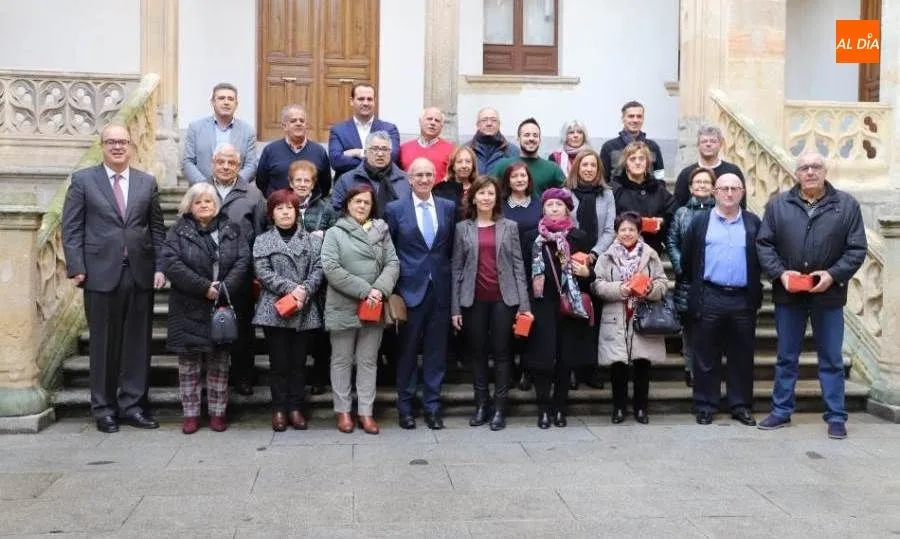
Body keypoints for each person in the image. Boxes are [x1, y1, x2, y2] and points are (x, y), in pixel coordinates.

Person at [61, 123, 166, 433]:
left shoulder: (147, 183)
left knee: (137, 344)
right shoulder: (83, 180)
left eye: (123, 142)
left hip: (139, 273)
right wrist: (76, 265)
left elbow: (157, 229)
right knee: (104, 345)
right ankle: (104, 408)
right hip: (98, 273)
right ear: (102, 146)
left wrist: (160, 267)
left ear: (131, 146)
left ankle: (133, 405)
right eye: (111, 142)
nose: (118, 147)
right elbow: (72, 228)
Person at [756, 152, 867, 439]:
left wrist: (832, 275)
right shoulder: (779, 205)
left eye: (816, 166)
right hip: (789, 295)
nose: (810, 172)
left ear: (825, 170)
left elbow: (856, 249)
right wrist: (781, 274)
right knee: (786, 357)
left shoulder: (846, 205)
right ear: (796, 173)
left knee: (831, 358)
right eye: (804, 167)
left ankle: (836, 416)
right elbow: (764, 244)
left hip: (828, 295)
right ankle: (781, 411)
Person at [161, 183, 250, 434]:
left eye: (208, 202)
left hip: (220, 305)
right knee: (188, 364)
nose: (203, 206)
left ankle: (218, 412)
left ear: (216, 205)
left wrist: (222, 289)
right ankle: (190, 414)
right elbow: (171, 263)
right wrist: (203, 287)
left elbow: (243, 260)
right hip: (188, 305)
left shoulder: (231, 229)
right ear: (190, 206)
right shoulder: (178, 231)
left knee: (219, 363)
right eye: (198, 202)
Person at [451, 176, 532, 431]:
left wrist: (524, 305)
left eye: (490, 193)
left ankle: (500, 408)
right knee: (477, 353)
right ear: (473, 197)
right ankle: (481, 405)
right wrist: (455, 307)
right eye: (481, 193)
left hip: (504, 299)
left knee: (502, 353)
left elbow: (519, 266)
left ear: (497, 198)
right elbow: (457, 268)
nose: (486, 197)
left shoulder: (509, 226)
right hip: (472, 299)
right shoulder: (462, 228)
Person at [682, 173, 762, 426]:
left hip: (742, 299)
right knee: (705, 355)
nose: (729, 193)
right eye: (724, 188)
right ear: (715, 192)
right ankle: (706, 405)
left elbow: (761, 260)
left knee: (742, 356)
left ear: (742, 192)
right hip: (709, 295)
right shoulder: (700, 222)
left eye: (734, 188)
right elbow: (687, 260)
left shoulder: (753, 223)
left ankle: (740, 405)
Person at [321, 184, 399, 435]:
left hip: (373, 306)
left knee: (367, 361)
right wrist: (366, 290)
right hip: (344, 304)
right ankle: (343, 411)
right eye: (357, 201)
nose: (362, 206)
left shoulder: (381, 230)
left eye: (366, 202)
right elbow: (331, 268)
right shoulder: (335, 232)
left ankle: (366, 412)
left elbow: (393, 263)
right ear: (347, 204)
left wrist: (379, 290)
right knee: (342, 360)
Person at [385, 158, 456, 430]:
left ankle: (432, 407)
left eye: (429, 174)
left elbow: (450, 248)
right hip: (408, 291)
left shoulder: (448, 208)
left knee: (436, 353)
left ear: (434, 177)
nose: (424, 179)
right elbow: (388, 250)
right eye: (419, 175)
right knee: (407, 352)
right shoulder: (395, 209)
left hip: (440, 289)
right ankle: (405, 408)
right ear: (410, 179)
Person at [252, 189, 324, 432]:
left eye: (289, 208)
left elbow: (320, 269)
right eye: (279, 208)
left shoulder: (313, 240)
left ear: (297, 212)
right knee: (279, 363)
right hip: (274, 309)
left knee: (298, 362)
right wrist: (293, 289)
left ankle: (296, 407)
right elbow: (263, 272)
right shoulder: (263, 240)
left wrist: (305, 290)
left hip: (304, 308)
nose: (285, 212)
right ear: (272, 213)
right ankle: (279, 409)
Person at [523, 188, 594, 428]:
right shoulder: (532, 237)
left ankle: (560, 408)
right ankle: (543, 409)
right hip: (541, 303)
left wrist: (587, 273)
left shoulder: (578, 237)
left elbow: (587, 274)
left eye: (559, 205)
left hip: (569, 305)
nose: (554, 209)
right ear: (542, 209)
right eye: (550, 205)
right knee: (542, 360)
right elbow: (523, 272)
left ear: (567, 209)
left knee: (565, 360)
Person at [592, 211, 668, 425]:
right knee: (618, 366)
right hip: (616, 315)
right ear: (616, 232)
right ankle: (618, 408)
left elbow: (662, 283)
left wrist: (649, 288)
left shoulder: (650, 254)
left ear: (639, 231)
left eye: (631, 229)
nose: (627, 233)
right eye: (623, 229)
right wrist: (621, 289)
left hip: (641, 315)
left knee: (642, 365)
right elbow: (597, 284)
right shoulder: (607, 256)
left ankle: (641, 408)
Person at [209, 143, 267, 396]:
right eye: (221, 161)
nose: (225, 166)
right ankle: (214, 381)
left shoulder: (253, 195)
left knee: (243, 329)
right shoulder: (201, 190)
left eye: (231, 163)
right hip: (207, 274)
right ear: (213, 163)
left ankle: (243, 376)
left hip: (241, 274)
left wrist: (256, 272)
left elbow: (261, 233)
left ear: (239, 166)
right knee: (209, 329)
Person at [564, 148, 615, 390]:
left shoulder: (607, 195)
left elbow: (610, 230)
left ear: (598, 169)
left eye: (593, 165)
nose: (588, 169)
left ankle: (591, 369)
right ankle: (572, 369)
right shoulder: (566, 193)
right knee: (574, 317)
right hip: (570, 261)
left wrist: (594, 254)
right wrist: (575, 255)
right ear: (577, 168)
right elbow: (563, 225)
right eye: (584, 165)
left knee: (595, 317)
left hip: (598, 263)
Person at [289, 159, 337, 397]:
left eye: (307, 180)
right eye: (298, 180)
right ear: (291, 182)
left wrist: (325, 234)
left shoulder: (326, 208)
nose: (302, 184)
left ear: (314, 183)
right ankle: (296, 376)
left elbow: (338, 234)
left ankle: (319, 376)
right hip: (289, 277)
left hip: (318, 278)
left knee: (319, 332)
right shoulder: (282, 203)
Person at [664, 167, 715, 388]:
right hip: (688, 281)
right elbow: (672, 241)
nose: (702, 185)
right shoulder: (682, 213)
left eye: (706, 182)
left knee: (711, 329)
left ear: (713, 187)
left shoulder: (721, 212)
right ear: (691, 186)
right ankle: (690, 369)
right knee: (690, 329)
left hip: (714, 281)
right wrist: (680, 266)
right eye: (698, 182)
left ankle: (708, 371)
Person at [499, 162, 542, 391]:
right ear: (508, 180)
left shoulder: (539, 204)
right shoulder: (500, 206)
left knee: (529, 319)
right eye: (514, 176)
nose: (519, 180)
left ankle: (527, 367)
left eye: (523, 175)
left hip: (533, 269)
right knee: (507, 321)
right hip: (505, 270)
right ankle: (510, 368)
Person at [182, 82, 258, 186]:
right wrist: (204, 185)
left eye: (230, 99)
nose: (226, 102)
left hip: (236, 194)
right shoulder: (195, 128)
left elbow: (251, 165)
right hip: (203, 193)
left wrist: (234, 185)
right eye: (221, 98)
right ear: (213, 102)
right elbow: (187, 162)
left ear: (236, 104)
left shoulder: (248, 131)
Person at [609, 141, 675, 255]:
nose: (638, 162)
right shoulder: (615, 189)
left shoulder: (658, 188)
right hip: (621, 252)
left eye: (641, 158)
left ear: (647, 163)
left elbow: (672, 210)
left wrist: (661, 221)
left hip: (651, 251)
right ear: (626, 163)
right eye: (632, 159)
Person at [328, 82, 401, 183]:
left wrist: (357, 152)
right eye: (361, 99)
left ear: (374, 101)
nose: (366, 103)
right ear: (351, 101)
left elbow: (392, 157)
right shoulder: (338, 130)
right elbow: (336, 161)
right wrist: (377, 159)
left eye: (369, 99)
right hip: (349, 189)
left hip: (381, 188)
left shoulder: (389, 129)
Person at [255, 104, 331, 196]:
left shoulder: (319, 151)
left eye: (302, 121)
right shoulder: (270, 150)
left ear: (306, 125)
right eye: (293, 121)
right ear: (284, 126)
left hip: (310, 208)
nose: (298, 123)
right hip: (280, 208)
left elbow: (325, 185)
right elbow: (261, 183)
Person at [330, 131, 411, 215]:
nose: (380, 154)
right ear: (365, 152)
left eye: (385, 149)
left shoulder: (404, 180)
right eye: (375, 149)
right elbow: (334, 212)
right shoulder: (347, 180)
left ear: (390, 152)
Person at [673, 125, 745, 208]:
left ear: (721, 144)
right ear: (698, 145)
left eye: (713, 141)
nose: (708, 144)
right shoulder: (686, 173)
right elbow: (678, 206)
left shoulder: (733, 171)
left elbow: (741, 205)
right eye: (704, 141)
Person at [490, 117, 565, 194]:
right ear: (518, 139)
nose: (531, 138)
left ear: (540, 139)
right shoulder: (503, 165)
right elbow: (490, 191)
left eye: (535, 135)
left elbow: (567, 196)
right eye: (527, 135)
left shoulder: (553, 169)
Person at [599, 100, 666, 181]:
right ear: (623, 118)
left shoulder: (653, 146)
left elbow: (660, 176)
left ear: (643, 119)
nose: (635, 120)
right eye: (631, 116)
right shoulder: (609, 147)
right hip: (617, 192)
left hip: (647, 192)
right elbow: (603, 178)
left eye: (639, 116)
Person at [398, 107, 454, 181]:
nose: (433, 123)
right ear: (420, 121)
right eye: (429, 119)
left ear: (441, 126)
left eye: (437, 121)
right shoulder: (403, 149)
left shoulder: (451, 150)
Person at [465, 107, 519, 174]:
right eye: (484, 120)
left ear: (499, 124)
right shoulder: (466, 149)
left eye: (494, 120)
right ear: (477, 125)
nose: (489, 123)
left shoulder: (512, 151)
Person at [433, 145, 478, 216]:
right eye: (459, 162)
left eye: (468, 162)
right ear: (453, 166)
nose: (464, 166)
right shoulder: (440, 189)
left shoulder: (479, 187)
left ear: (473, 166)